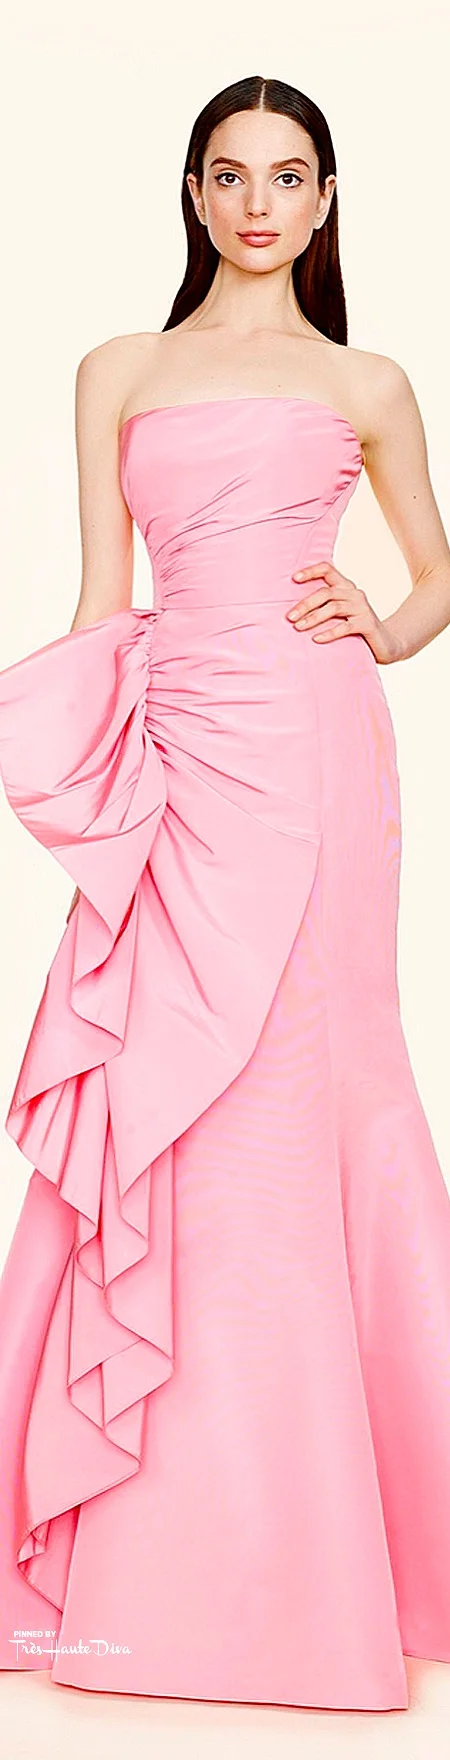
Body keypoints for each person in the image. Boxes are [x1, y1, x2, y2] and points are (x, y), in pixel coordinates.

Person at [0, 71, 450, 1718]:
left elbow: (437, 566)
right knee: (168, 1095)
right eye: (229, 174)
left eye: (288, 175)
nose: (259, 203)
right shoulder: (116, 368)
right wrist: (81, 766)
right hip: (180, 744)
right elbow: (98, 596)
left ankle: (361, 1548)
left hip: (316, 757)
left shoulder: (367, 381)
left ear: (324, 200)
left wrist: (382, 628)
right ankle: (156, 1548)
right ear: (194, 194)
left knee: (317, 1090)